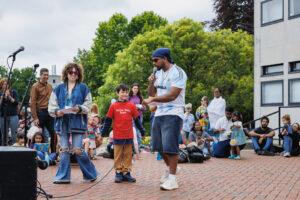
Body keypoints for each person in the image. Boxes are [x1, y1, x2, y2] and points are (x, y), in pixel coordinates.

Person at [143, 48, 187, 190]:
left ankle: (173, 180)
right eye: (153, 61)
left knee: (170, 146)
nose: (154, 63)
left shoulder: (178, 73)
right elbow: (152, 92)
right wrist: (151, 83)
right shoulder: (158, 73)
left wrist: (152, 99)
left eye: (156, 60)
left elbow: (172, 95)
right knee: (158, 146)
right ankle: (169, 168)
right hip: (159, 113)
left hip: (174, 112)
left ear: (165, 58)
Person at [48, 63, 98, 183]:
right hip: (62, 121)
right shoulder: (58, 88)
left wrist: (79, 108)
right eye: (71, 72)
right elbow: (51, 106)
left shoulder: (83, 88)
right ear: (66, 73)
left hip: (77, 121)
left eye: (76, 72)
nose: (73, 74)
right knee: (64, 149)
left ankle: (91, 174)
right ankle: (63, 177)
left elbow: (88, 104)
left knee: (77, 149)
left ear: (79, 74)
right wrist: (57, 111)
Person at [100, 83, 145, 183]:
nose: (124, 94)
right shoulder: (113, 106)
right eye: (122, 92)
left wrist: (142, 131)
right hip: (118, 135)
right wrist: (102, 134)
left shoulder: (131, 106)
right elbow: (107, 121)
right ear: (117, 93)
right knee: (118, 154)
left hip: (128, 136)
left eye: (126, 92)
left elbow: (137, 120)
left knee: (128, 155)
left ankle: (126, 173)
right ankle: (118, 173)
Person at [30, 68, 56, 153]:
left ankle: (53, 155)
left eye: (47, 75)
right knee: (40, 135)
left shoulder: (50, 86)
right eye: (44, 74)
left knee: (53, 133)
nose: (46, 76)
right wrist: (35, 117)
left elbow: (53, 100)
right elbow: (33, 102)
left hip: (50, 113)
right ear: (40, 75)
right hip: (40, 112)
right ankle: (40, 154)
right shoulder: (35, 86)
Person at [0, 78, 19, 146]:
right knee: (4, 135)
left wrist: (9, 96)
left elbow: (16, 103)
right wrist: (2, 97)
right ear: (1, 85)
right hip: (2, 116)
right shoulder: (0, 93)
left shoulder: (13, 92)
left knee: (14, 134)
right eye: (4, 84)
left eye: (7, 84)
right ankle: (4, 151)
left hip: (13, 115)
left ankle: (15, 149)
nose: (6, 85)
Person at [128, 83, 146, 150]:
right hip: (131, 116)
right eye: (134, 88)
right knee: (133, 131)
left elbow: (145, 108)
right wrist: (133, 107)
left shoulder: (140, 97)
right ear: (132, 89)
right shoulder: (128, 97)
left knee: (138, 131)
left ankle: (138, 147)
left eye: (137, 88)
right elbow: (126, 106)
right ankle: (132, 147)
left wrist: (140, 107)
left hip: (139, 116)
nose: (136, 90)